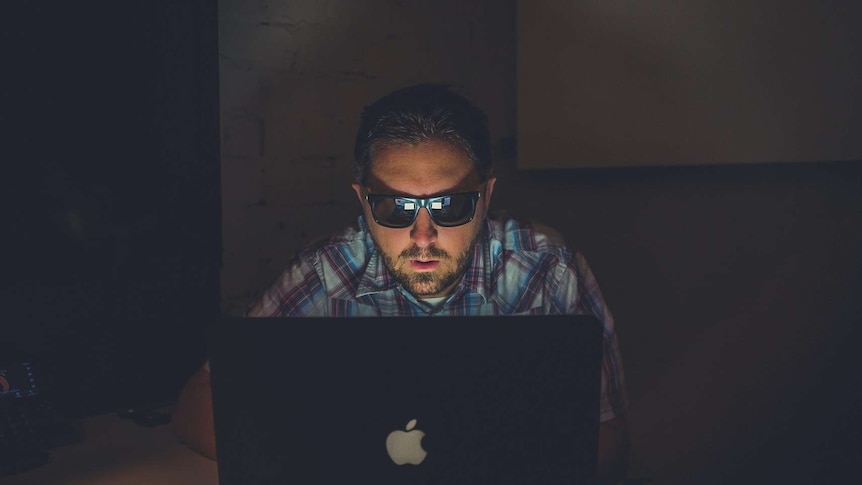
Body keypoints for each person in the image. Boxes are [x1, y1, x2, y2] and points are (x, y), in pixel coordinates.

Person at [173, 84, 630, 484]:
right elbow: (198, 404)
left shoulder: (549, 269)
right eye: (395, 208)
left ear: (486, 196)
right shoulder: (324, 273)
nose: (423, 236)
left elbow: (606, 435)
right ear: (363, 202)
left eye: (450, 205)